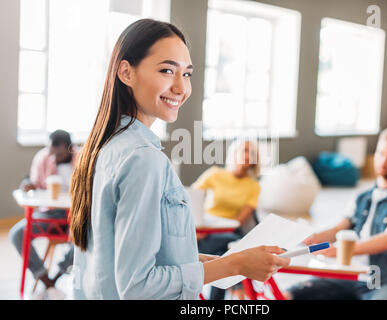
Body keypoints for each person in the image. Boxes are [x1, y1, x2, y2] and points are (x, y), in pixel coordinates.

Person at [69, 19, 290, 300]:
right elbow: (138, 286)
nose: (181, 87)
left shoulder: (102, 148)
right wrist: (234, 263)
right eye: (166, 71)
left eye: (186, 74)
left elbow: (121, 259)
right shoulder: (143, 159)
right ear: (126, 72)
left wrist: (227, 263)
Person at [284, 126, 387, 300]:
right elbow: (339, 229)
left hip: (386, 281)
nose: (383, 162)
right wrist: (313, 238)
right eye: (381, 153)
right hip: (350, 275)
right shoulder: (362, 197)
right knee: (289, 295)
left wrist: (340, 251)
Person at [9, 130, 77, 298]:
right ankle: (45, 279)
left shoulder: (82, 158)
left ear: (68, 148)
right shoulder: (43, 157)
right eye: (51, 152)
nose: (54, 157)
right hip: (50, 215)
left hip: (75, 217)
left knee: (87, 237)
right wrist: (28, 184)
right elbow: (33, 183)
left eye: (58, 153)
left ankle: (59, 275)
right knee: (17, 234)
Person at [193, 139, 261, 299]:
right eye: (244, 150)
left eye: (251, 153)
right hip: (205, 232)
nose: (247, 155)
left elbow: (239, 221)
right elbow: (190, 199)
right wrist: (196, 229)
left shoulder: (253, 186)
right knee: (230, 251)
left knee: (228, 248)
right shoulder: (215, 174)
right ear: (234, 153)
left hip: (228, 231)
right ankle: (236, 290)